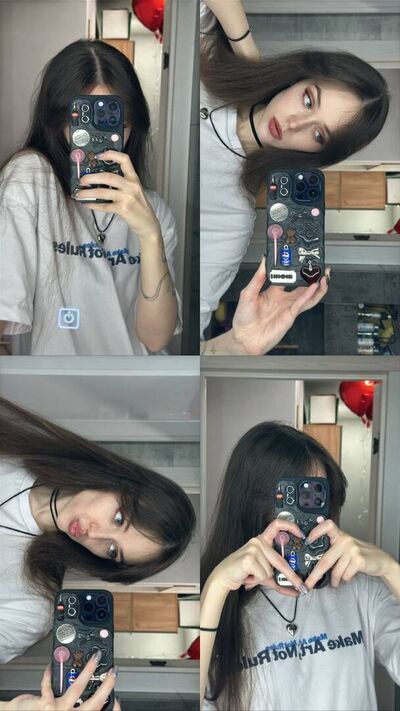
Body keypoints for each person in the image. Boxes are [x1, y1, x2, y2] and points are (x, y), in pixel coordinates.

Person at [200, 0, 390, 355]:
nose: (294, 124)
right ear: (299, 76)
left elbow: (168, 343)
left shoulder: (231, 220)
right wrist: (247, 51)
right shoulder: (213, 60)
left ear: (317, 155)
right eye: (307, 101)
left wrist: (236, 345)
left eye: (318, 134)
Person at [200, 422, 400, 710]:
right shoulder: (215, 608)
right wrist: (216, 589)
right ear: (252, 504)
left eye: (319, 499)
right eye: (296, 501)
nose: (309, 518)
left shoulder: (362, 590)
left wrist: (392, 571)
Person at [0, 40, 181, 355]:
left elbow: (155, 339)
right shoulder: (31, 179)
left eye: (115, 124)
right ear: (58, 122)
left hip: (132, 384)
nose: (100, 140)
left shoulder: (154, 210)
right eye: (84, 122)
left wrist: (150, 236)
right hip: (50, 387)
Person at [0, 397, 196, 664]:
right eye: (118, 519)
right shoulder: (21, 443)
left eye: (113, 550)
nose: (94, 536)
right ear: (119, 480)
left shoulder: (32, 607)